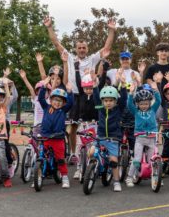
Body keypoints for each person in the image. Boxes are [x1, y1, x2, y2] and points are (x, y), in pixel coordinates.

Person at [43, 16, 116, 160]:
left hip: (89, 95)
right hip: (74, 96)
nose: (82, 50)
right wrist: (49, 27)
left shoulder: (92, 59)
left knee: (92, 125)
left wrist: (111, 31)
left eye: (84, 47)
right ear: (76, 49)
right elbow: (56, 43)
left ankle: (93, 152)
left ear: (87, 49)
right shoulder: (70, 58)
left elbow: (106, 48)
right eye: (79, 48)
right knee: (74, 127)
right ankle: (74, 153)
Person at [89, 75, 127, 192]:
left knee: (114, 161)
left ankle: (116, 181)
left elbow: (124, 99)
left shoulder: (118, 109)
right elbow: (96, 98)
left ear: (115, 101)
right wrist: (95, 85)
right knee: (91, 153)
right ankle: (92, 169)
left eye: (111, 100)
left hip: (113, 138)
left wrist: (124, 85)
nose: (108, 103)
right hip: (100, 137)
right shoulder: (100, 108)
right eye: (106, 101)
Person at [38, 77, 74, 188]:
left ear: (63, 103)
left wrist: (70, 92)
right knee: (41, 157)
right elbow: (40, 99)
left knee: (60, 159)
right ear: (51, 99)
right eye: (55, 100)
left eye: (60, 101)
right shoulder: (46, 107)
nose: (57, 103)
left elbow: (71, 103)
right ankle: (38, 177)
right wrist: (44, 87)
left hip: (58, 138)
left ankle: (64, 177)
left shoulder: (63, 110)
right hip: (45, 137)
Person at [125, 81, 161, 187]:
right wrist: (131, 93)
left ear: (150, 103)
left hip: (151, 139)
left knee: (152, 160)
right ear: (137, 104)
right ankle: (129, 178)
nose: (144, 106)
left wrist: (156, 90)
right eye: (141, 104)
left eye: (146, 103)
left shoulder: (153, 110)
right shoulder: (135, 111)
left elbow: (158, 100)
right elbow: (129, 104)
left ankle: (156, 177)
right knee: (136, 159)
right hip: (140, 139)